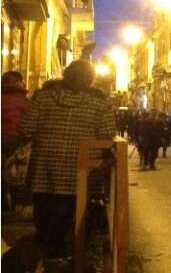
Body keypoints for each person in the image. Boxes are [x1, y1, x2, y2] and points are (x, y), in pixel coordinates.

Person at [19, 60, 116, 258]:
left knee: (46, 214)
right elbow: (107, 135)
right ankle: (66, 257)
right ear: (90, 78)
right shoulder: (100, 102)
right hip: (82, 171)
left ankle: (46, 253)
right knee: (74, 216)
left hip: (44, 169)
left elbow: (26, 128)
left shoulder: (43, 97)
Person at [2, 71, 29, 214]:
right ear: (19, 82)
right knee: (15, 172)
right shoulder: (22, 100)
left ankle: (3, 206)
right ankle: (15, 205)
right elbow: (28, 120)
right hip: (16, 139)